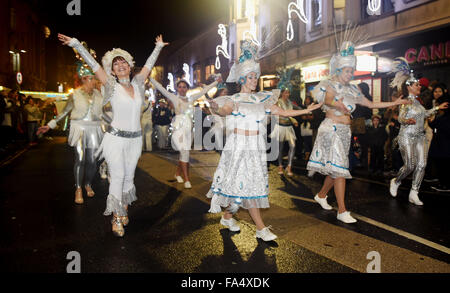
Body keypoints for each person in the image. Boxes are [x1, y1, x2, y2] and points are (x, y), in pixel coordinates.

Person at [207, 38, 322, 241]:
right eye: (250, 77)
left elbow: (283, 113)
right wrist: (216, 107)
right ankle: (261, 229)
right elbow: (223, 109)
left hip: (257, 147)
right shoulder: (234, 100)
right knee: (246, 186)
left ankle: (227, 216)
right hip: (239, 146)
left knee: (243, 187)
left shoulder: (262, 99)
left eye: (255, 76)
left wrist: (306, 109)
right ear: (242, 79)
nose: (254, 80)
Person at [56, 33, 168, 237]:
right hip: (115, 140)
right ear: (112, 70)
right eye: (116, 64)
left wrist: (158, 47)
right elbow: (94, 65)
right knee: (117, 177)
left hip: (134, 140)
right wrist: (76, 45)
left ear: (129, 65)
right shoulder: (110, 85)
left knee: (128, 178)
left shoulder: (138, 83)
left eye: (123, 61)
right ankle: (116, 217)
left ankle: (123, 206)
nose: (120, 65)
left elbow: (149, 65)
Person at [307, 29, 411, 224]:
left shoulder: (352, 89)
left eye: (351, 71)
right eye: (347, 71)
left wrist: (395, 103)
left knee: (337, 168)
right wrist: (337, 104)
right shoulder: (328, 84)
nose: (350, 74)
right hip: (332, 129)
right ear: (338, 70)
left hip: (346, 131)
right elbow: (327, 99)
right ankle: (342, 210)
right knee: (340, 169)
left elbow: (371, 105)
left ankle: (321, 195)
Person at [37, 44, 105, 205]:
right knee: (80, 158)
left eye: (94, 78)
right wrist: (50, 125)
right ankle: (79, 187)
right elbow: (64, 112)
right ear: (83, 79)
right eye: (90, 79)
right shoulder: (74, 94)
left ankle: (88, 183)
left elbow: (104, 114)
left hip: (94, 129)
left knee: (92, 161)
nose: (93, 81)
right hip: (79, 128)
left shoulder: (99, 95)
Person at [388, 58, 448, 205]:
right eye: (417, 85)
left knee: (422, 165)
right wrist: (406, 121)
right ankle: (396, 180)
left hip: (420, 137)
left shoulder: (419, 103)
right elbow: (401, 117)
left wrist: (437, 109)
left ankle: (414, 193)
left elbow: (424, 115)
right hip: (407, 136)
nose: (420, 87)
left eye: (419, 85)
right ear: (409, 87)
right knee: (410, 165)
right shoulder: (406, 101)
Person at [150, 74, 221, 189]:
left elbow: (205, 90)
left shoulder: (191, 98)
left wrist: (216, 82)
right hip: (178, 129)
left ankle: (178, 173)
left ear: (187, 88)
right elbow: (161, 88)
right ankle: (187, 179)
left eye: (184, 87)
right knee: (184, 152)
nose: (182, 89)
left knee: (185, 153)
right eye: (180, 87)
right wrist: (151, 78)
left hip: (189, 129)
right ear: (177, 88)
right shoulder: (174, 97)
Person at [270, 68, 301, 176]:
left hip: (289, 128)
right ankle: (280, 166)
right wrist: (292, 119)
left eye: (288, 92)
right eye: (286, 92)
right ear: (282, 93)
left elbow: (298, 108)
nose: (288, 94)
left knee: (293, 146)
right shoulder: (278, 102)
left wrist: (308, 110)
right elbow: (281, 113)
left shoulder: (290, 102)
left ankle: (289, 166)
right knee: (281, 148)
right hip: (280, 127)